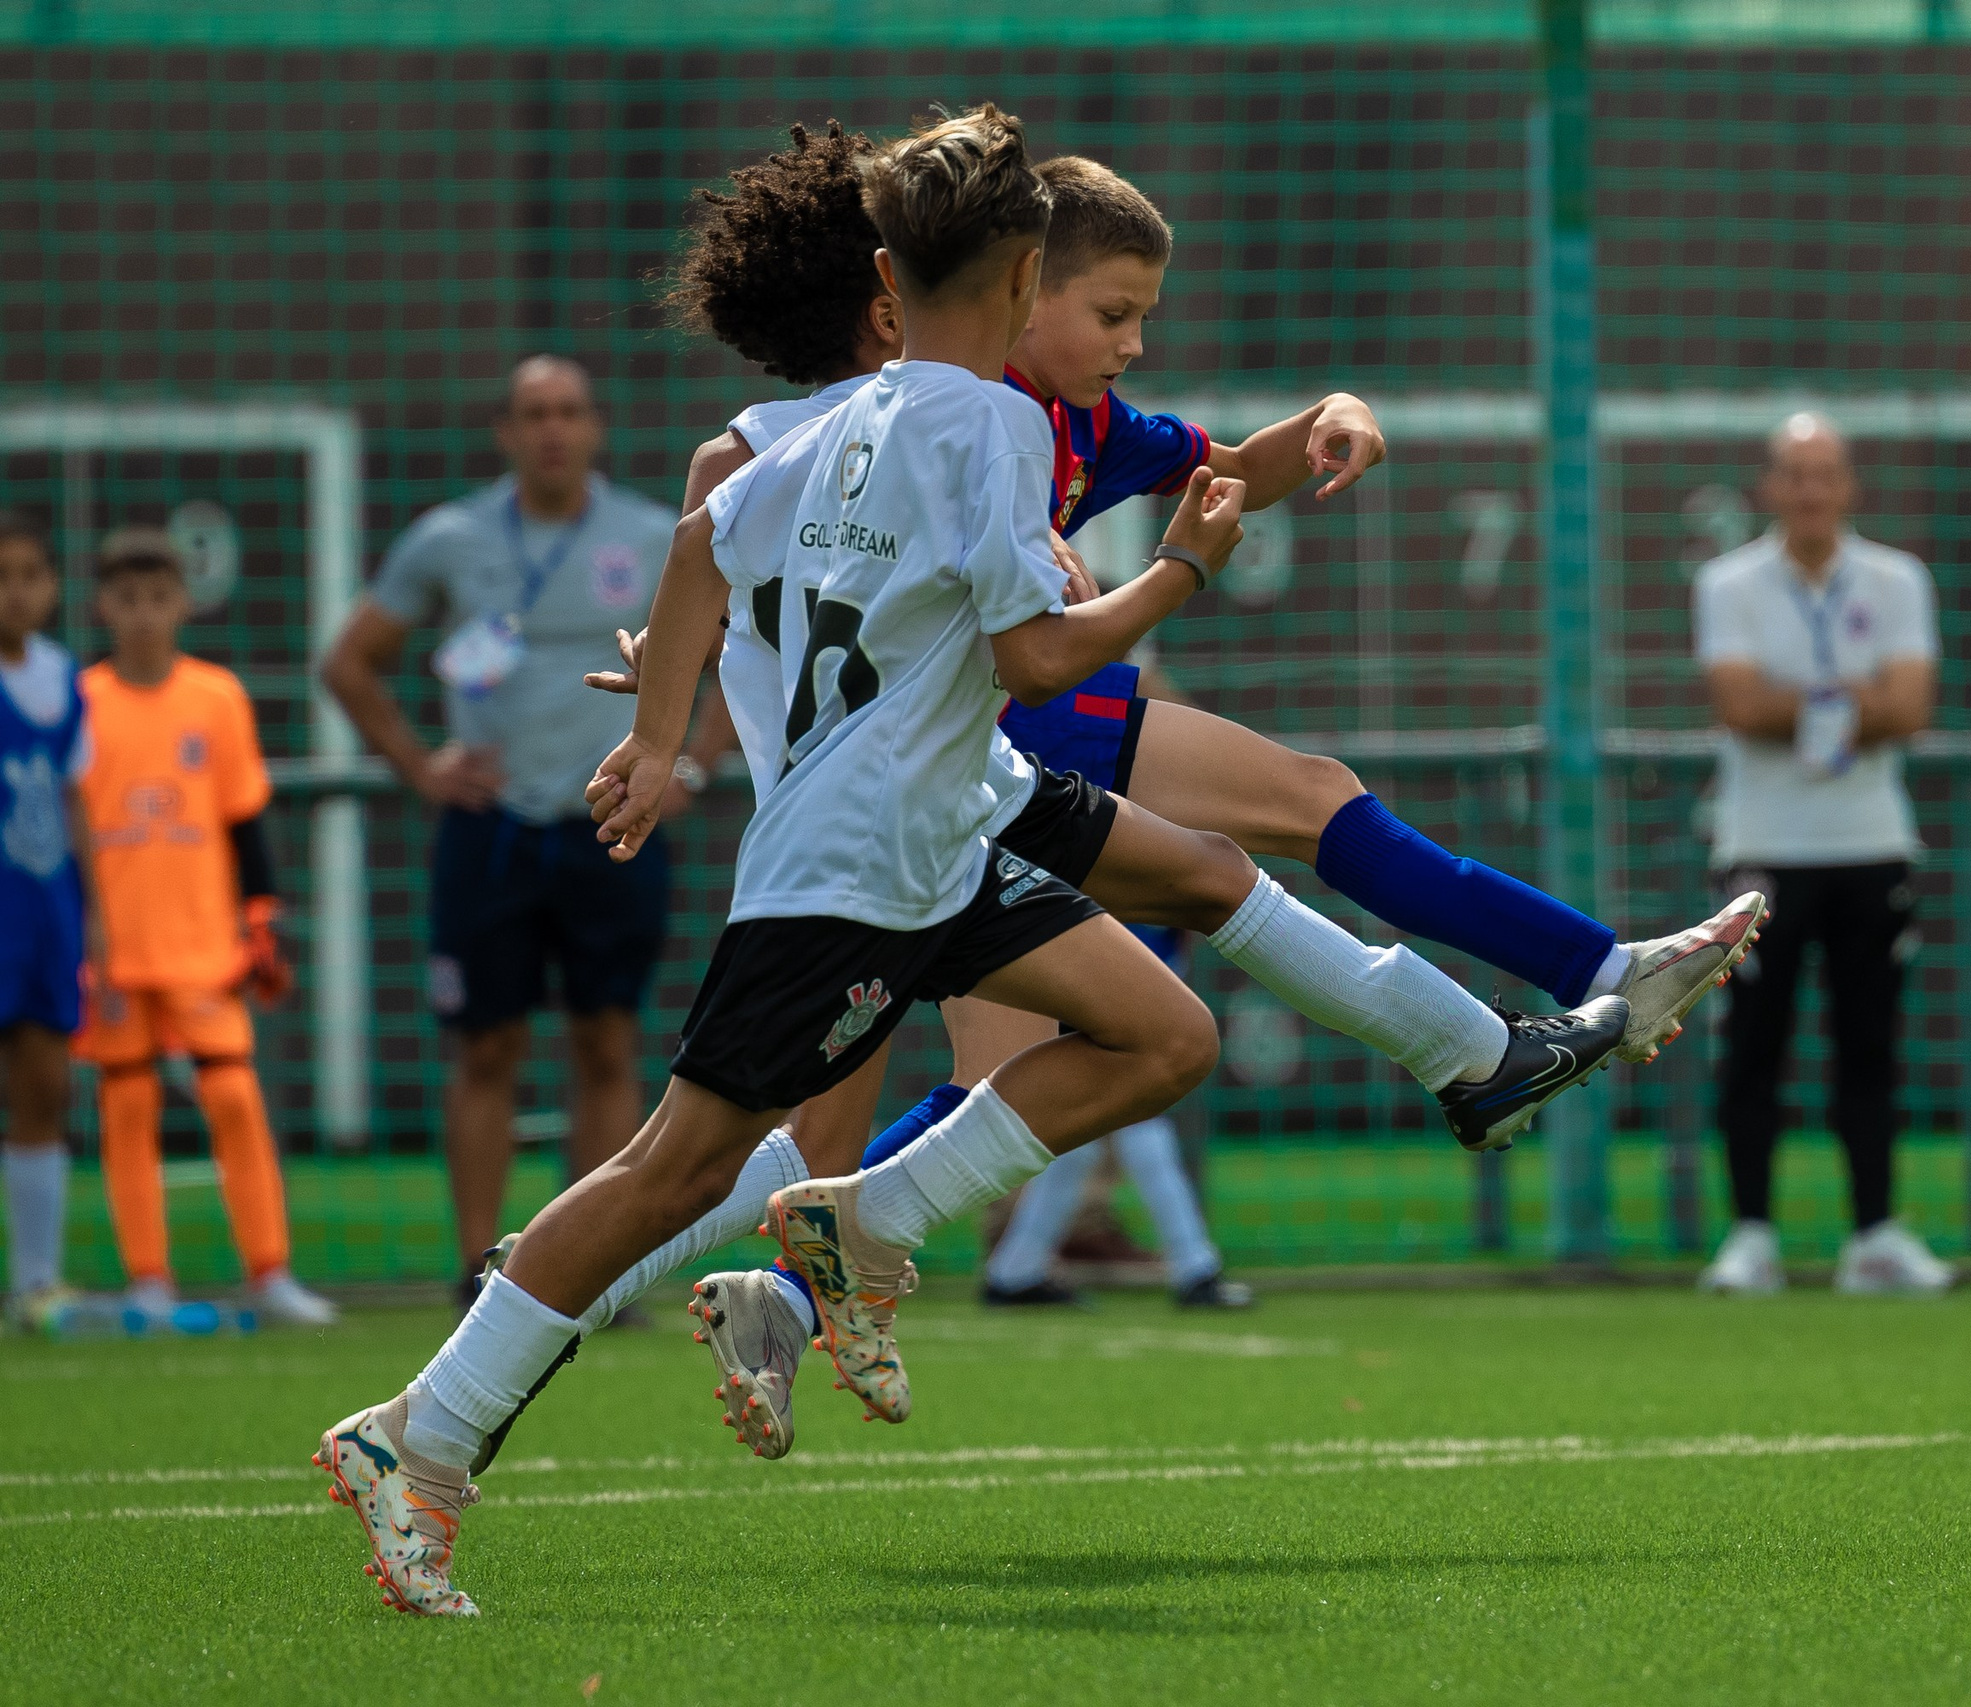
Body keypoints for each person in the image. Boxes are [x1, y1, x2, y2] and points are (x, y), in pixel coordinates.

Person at [318, 107, 1624, 1614]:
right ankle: (422, 1431)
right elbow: (1035, 656)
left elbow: (696, 547)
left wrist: (661, 740)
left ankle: (878, 1214)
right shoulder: (991, 427)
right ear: (1019, 281)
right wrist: (1180, 571)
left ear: (891, 277)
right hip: (861, 855)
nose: (1123, 338)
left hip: (955, 809)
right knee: (674, 1166)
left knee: (1167, 1021)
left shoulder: (839, 419)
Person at [320, 355, 704, 1312]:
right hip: (490, 830)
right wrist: (421, 766)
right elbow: (350, 662)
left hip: (609, 820)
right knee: (485, 1047)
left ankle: (595, 1269)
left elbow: (740, 649)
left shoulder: (652, 535)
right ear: (505, 432)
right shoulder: (450, 538)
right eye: (534, 414)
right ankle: (476, 1268)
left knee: (606, 1041)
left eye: (569, 411)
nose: (552, 430)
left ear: (596, 427)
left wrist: (689, 762)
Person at [1693, 414, 1953, 1297]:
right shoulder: (1728, 582)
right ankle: (1751, 1236)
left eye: (1825, 473)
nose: (1810, 490)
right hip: (1762, 847)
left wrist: (1803, 700)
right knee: (1753, 1047)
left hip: (1870, 843)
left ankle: (1874, 1235)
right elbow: (1738, 703)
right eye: (1795, 474)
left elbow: (1912, 705)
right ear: (1771, 487)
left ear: (1849, 486)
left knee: (1869, 1044)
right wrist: (1853, 696)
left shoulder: (1897, 579)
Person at [74, 527, 337, 1327]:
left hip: (202, 943)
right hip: (114, 948)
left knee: (232, 1096)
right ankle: (148, 1280)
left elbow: (243, 820)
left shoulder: (216, 697)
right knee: (128, 1107)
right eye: (128, 599)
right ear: (104, 607)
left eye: (159, 597)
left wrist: (261, 917)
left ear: (182, 603)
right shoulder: (82, 701)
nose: (144, 614)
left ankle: (270, 1271)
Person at [978, 927, 1250, 1309]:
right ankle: (1196, 1270)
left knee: (1081, 1149)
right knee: (1144, 1132)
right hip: (1095, 1011)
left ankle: (1014, 1272)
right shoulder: (1142, 918)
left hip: (1096, 1008)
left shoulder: (1167, 930)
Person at [0, 513, 93, 1333]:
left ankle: (35, 1280)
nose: (16, 592)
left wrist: (93, 911)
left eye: (29, 574)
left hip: (44, 908)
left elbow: (75, 802)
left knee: (44, 1086)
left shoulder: (66, 679)